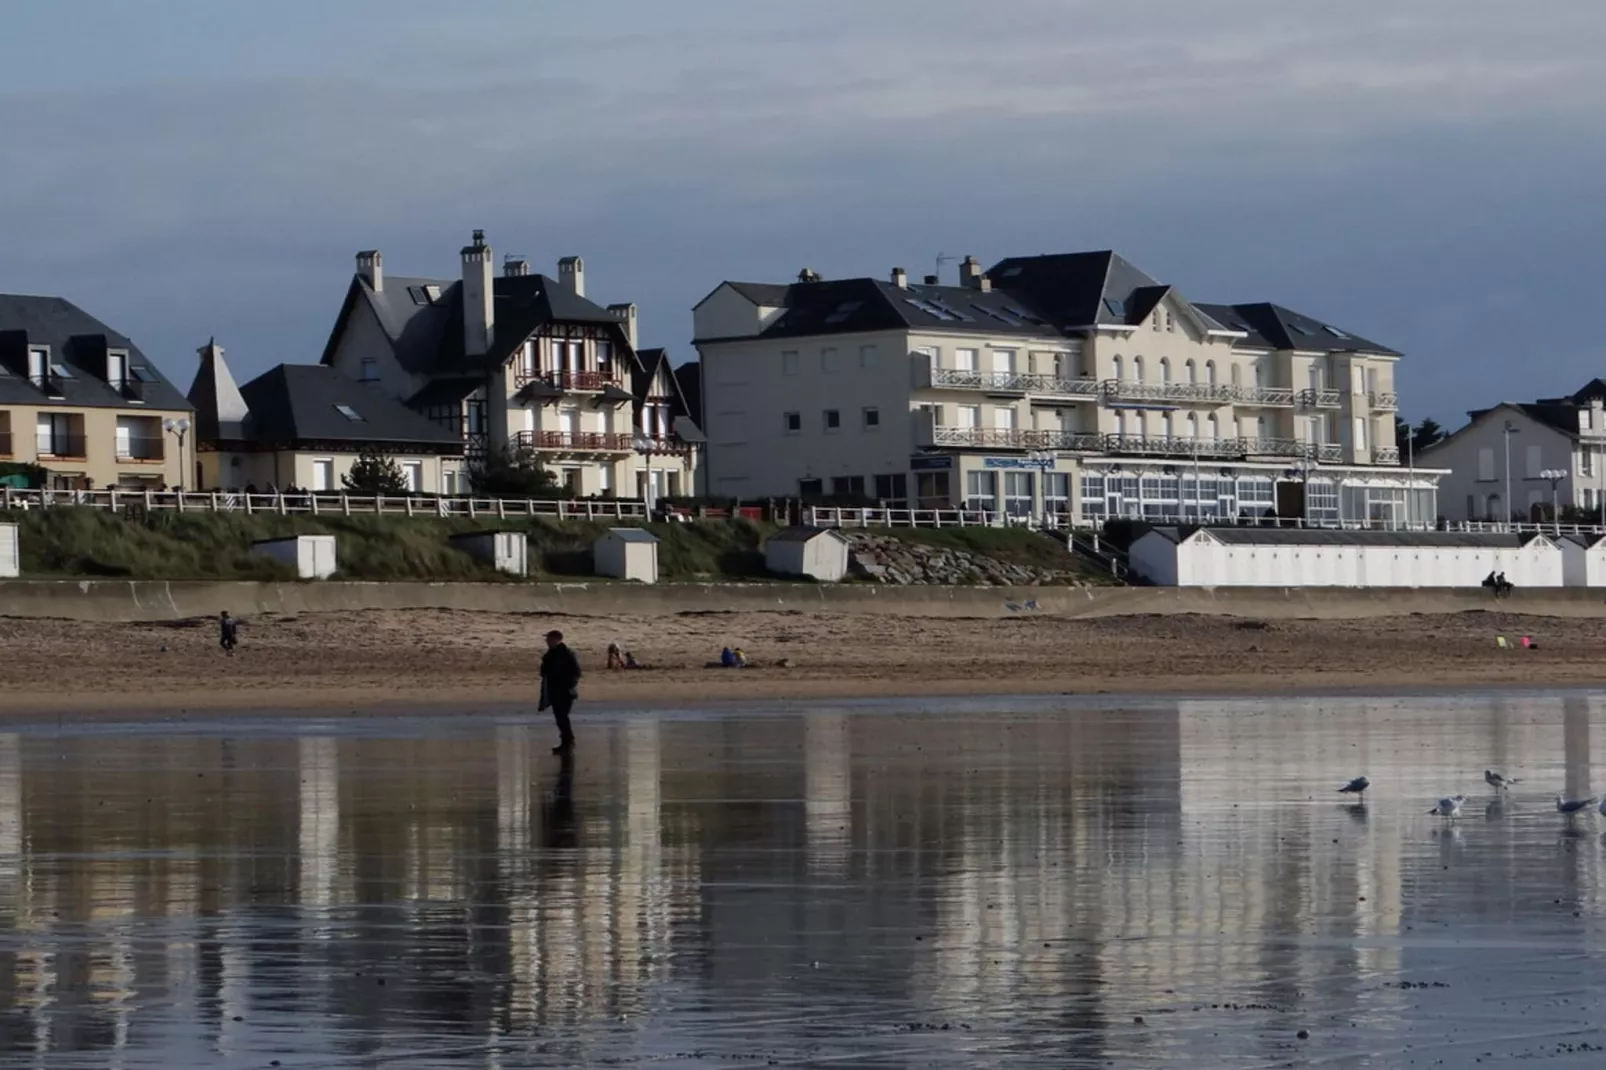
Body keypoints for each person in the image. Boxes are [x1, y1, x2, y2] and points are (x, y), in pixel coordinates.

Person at [539, 629, 582, 754]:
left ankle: (568, 742)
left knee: (562, 717)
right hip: (554, 690)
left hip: (565, 691)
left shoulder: (567, 654)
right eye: (547, 639)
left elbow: (577, 672)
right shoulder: (550, 655)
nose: (547, 641)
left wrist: (569, 685)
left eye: (549, 638)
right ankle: (566, 742)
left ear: (557, 639)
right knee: (560, 717)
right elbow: (544, 672)